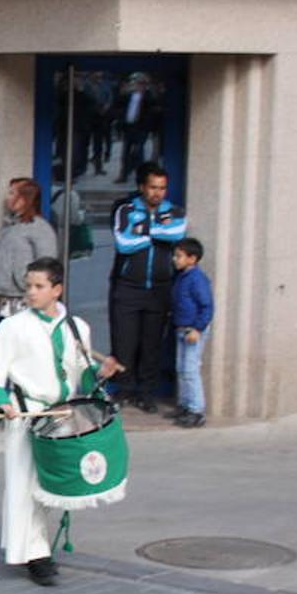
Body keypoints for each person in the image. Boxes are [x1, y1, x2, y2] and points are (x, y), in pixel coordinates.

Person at [0, 257, 121, 586]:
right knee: (23, 484)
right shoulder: (14, 326)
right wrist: (0, 400)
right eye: (28, 286)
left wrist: (99, 373)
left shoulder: (77, 327)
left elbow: (80, 373)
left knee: (51, 482)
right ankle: (35, 553)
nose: (31, 292)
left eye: (39, 286)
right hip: (27, 413)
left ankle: (37, 545)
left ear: (57, 289)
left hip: (62, 415)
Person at [110, 162, 187, 412]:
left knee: (152, 344)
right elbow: (123, 242)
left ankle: (146, 393)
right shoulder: (126, 210)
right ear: (142, 187)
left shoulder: (174, 211)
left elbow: (177, 233)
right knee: (124, 342)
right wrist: (157, 233)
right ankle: (123, 389)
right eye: (153, 187)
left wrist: (143, 231)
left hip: (160, 288)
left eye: (162, 188)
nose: (158, 193)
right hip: (128, 287)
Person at [0, 178, 57, 343]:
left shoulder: (40, 229)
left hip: (21, 304)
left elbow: (48, 267)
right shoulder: (11, 226)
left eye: (12, 193)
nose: (7, 198)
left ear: (25, 198)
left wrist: (29, 288)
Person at [170, 238, 213, 428]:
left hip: (192, 330)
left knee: (190, 370)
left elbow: (207, 307)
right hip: (182, 329)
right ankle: (185, 405)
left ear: (192, 259)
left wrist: (197, 328)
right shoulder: (182, 277)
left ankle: (196, 410)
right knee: (182, 369)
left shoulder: (197, 279)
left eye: (179, 256)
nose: (175, 259)